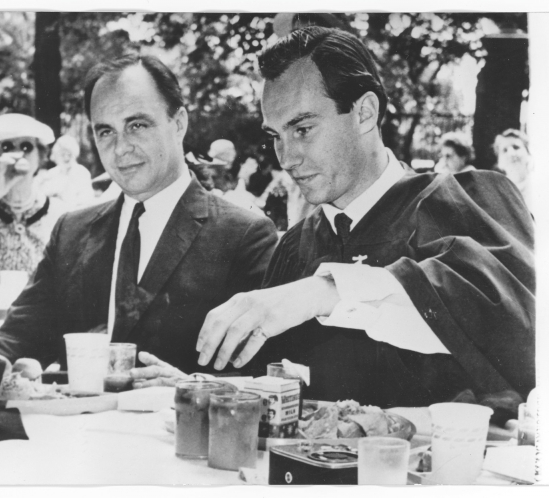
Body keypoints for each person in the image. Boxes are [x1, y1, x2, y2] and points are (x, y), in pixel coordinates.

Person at [195, 27, 535, 409]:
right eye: (276, 135)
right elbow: (275, 387)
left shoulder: (460, 202)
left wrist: (328, 291)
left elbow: (519, 329)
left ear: (364, 113)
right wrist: (202, 391)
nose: (286, 158)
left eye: (303, 129)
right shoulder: (295, 247)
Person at [0, 54, 278, 387]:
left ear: (179, 122)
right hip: (76, 435)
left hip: (176, 434)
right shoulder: (72, 232)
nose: (121, 148)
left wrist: (191, 387)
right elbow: (16, 337)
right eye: (105, 132)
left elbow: (270, 376)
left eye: (137, 125)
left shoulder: (243, 236)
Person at [0, 114, 66, 280]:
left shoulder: (58, 212)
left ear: (40, 157)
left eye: (27, 147)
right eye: (6, 147)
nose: (17, 154)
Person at [35, 134, 95, 210]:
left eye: (69, 154)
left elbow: (86, 201)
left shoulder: (82, 172)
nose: (66, 158)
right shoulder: (52, 173)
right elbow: (40, 193)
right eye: (62, 154)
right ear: (56, 156)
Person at [493, 128, 533, 210]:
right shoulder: (497, 193)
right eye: (505, 150)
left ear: (528, 153)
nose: (511, 154)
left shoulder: (541, 186)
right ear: (499, 162)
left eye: (516, 147)